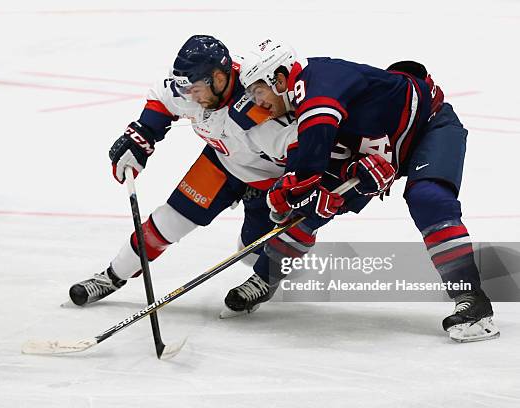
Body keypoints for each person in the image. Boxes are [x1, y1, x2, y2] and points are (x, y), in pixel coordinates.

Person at [222, 38, 499, 342]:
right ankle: (265, 277)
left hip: (429, 126)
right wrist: (318, 190)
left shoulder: (317, 86)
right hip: (380, 145)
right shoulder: (298, 99)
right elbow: (320, 156)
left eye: (258, 92)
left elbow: (311, 157)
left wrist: (292, 191)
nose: (257, 102)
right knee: (313, 208)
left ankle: (474, 302)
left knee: (428, 199)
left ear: (279, 78)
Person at [68, 35, 313, 307]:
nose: (189, 97)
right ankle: (111, 276)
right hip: (221, 163)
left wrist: (299, 188)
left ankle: (265, 279)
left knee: (251, 253)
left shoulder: (260, 106)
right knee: (166, 222)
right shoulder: (191, 89)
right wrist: (142, 134)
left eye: (195, 90)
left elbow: (303, 150)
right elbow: (162, 98)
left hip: (269, 182)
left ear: (219, 79)